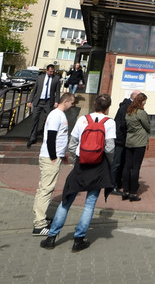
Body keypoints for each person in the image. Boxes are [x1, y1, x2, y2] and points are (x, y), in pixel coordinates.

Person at [40, 93, 116, 252]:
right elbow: (109, 148)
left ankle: (52, 237)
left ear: (95, 104)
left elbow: (72, 144)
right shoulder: (110, 122)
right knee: (90, 203)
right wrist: (107, 163)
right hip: (98, 166)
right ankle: (78, 239)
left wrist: (78, 159)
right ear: (108, 107)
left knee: (66, 200)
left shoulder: (82, 119)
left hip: (81, 164)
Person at [32, 92, 75, 236]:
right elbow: (51, 136)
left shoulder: (59, 115)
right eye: (72, 102)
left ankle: (41, 218)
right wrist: (53, 156)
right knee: (45, 188)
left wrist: (61, 155)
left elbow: (59, 137)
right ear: (66, 102)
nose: (72, 105)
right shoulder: (56, 115)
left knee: (46, 187)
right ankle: (39, 224)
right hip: (50, 157)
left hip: (55, 156)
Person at [110, 89, 139, 195]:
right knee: (117, 163)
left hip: (124, 139)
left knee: (121, 163)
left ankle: (118, 182)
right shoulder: (126, 107)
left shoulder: (129, 106)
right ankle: (112, 186)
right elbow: (123, 124)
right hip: (120, 139)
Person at [122, 93, 149, 201]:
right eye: (145, 101)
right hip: (139, 142)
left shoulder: (129, 111)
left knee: (127, 166)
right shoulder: (141, 112)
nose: (145, 102)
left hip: (129, 141)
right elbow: (147, 126)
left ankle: (125, 190)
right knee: (136, 167)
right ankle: (133, 192)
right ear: (142, 101)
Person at [26, 64, 62, 147]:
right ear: (46, 71)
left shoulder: (56, 79)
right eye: (50, 71)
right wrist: (30, 101)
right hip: (38, 101)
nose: (51, 73)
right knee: (35, 118)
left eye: (53, 71)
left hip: (49, 101)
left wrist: (57, 101)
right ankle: (32, 137)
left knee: (49, 119)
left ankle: (45, 135)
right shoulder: (40, 78)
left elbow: (57, 92)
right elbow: (34, 90)